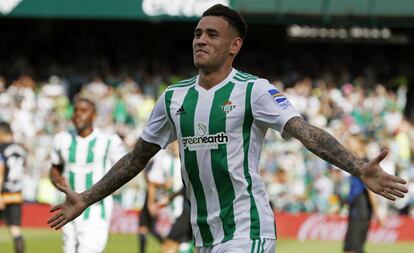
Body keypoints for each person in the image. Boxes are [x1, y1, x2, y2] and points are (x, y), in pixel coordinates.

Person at [48, 4, 408, 253]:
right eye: (197, 33)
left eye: (212, 35)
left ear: (235, 45)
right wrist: (86, 197)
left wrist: (358, 167)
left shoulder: (254, 90)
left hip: (247, 230)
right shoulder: (173, 98)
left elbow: (305, 131)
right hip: (204, 235)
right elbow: (136, 158)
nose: (200, 40)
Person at [49, 97, 127, 253]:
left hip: (96, 209)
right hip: (69, 206)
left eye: (83, 111)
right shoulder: (62, 139)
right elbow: (54, 167)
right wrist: (56, 179)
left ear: (94, 115)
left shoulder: (109, 140)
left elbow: (124, 169)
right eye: (75, 111)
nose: (78, 114)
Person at [147, 142, 192, 253]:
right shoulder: (164, 159)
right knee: (185, 245)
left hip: (187, 209)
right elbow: (152, 181)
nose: (174, 144)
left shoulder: (190, 158)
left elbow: (186, 187)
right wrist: (151, 202)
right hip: (172, 210)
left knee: (169, 245)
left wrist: (170, 198)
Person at [0, 121, 26, 253]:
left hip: (3, 193)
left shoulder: (2, 148)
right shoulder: (21, 150)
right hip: (16, 193)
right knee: (15, 230)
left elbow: (0, 172)